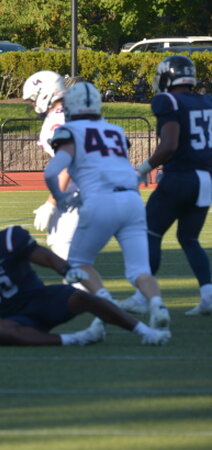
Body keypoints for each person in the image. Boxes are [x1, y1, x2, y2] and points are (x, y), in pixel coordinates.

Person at [0, 200, 171, 348]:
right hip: (15, 316)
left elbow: (45, 256)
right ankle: (77, 338)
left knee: (83, 298)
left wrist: (67, 270)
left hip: (41, 301)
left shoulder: (8, 241)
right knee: (1, 331)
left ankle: (145, 332)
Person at [44, 81, 170, 331]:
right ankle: (157, 305)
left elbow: (51, 172)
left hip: (101, 200)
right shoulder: (115, 131)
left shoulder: (70, 131)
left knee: (78, 262)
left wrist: (59, 197)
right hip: (132, 200)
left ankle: (106, 302)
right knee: (140, 270)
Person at [127, 55, 212, 317]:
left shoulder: (168, 101)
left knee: (149, 233)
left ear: (167, 77)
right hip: (205, 180)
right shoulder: (206, 100)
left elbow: (170, 144)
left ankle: (143, 296)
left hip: (180, 177)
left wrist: (143, 169)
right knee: (189, 238)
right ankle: (208, 294)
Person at [23, 71, 80, 264]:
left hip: (83, 190)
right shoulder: (78, 110)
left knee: (61, 246)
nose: (33, 104)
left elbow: (68, 163)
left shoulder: (57, 120)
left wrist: (51, 203)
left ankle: (76, 283)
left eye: (33, 99)